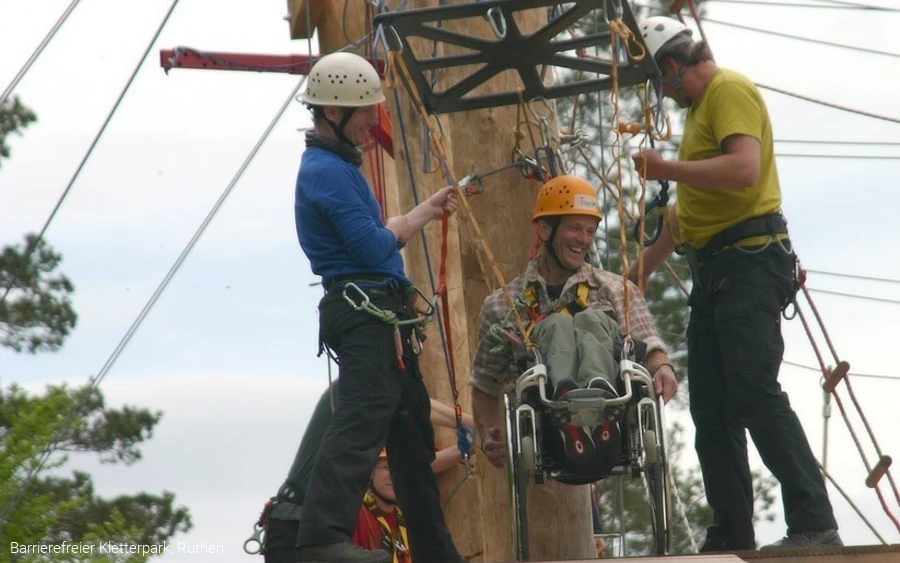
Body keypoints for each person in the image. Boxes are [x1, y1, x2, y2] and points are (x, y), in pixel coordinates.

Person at [630, 16, 841, 552]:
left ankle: (816, 524)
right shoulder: (704, 111)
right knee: (713, 409)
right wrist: (645, 267)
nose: (665, 95)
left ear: (672, 67)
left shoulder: (729, 89)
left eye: (661, 84)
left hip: (750, 265)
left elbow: (744, 170)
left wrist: (666, 169)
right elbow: (694, 210)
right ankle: (731, 533)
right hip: (720, 271)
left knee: (753, 392)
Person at [292, 51, 464, 563]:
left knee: (412, 438)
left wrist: (422, 213)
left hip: (379, 313)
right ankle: (321, 536)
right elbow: (371, 248)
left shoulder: (341, 166)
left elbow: (374, 241)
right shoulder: (326, 171)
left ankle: (436, 551)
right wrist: (413, 222)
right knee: (363, 420)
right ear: (334, 112)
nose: (374, 120)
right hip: (364, 313)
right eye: (366, 110)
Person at [470, 175, 678, 475]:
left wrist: (663, 368)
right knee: (555, 325)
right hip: (550, 426)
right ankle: (568, 405)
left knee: (592, 318)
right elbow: (485, 381)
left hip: (615, 416)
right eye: (574, 228)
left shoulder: (615, 289)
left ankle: (599, 400)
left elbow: (649, 342)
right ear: (544, 230)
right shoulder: (502, 305)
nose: (583, 239)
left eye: (590, 231)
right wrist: (490, 431)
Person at [260, 382, 476, 563]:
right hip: (295, 526)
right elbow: (409, 402)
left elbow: (409, 469)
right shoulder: (351, 389)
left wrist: (466, 446)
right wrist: (471, 423)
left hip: (312, 529)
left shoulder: (368, 420)